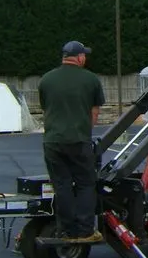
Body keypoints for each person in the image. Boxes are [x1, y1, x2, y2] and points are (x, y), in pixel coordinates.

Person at [37, 40, 106, 242]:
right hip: (78, 140)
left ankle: (66, 230)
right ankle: (85, 230)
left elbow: (46, 109)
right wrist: (84, 132)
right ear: (80, 57)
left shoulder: (46, 80)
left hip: (52, 142)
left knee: (62, 185)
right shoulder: (91, 79)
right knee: (86, 183)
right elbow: (94, 113)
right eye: (84, 55)